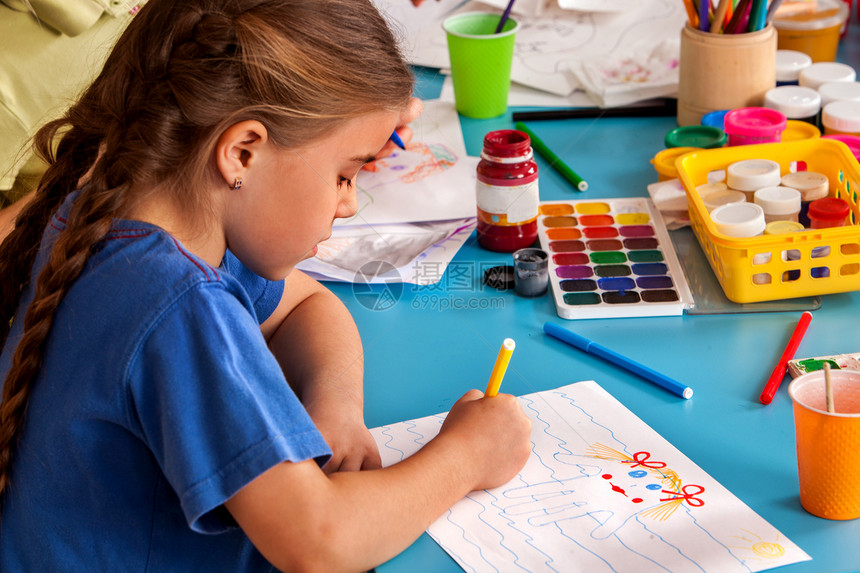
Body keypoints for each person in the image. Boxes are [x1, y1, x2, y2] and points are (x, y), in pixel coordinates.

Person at [0, 1, 532, 571]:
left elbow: (308, 303)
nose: (349, 204)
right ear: (242, 152)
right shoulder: (181, 304)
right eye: (344, 175)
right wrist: (466, 458)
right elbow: (318, 541)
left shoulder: (110, 218)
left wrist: (335, 410)